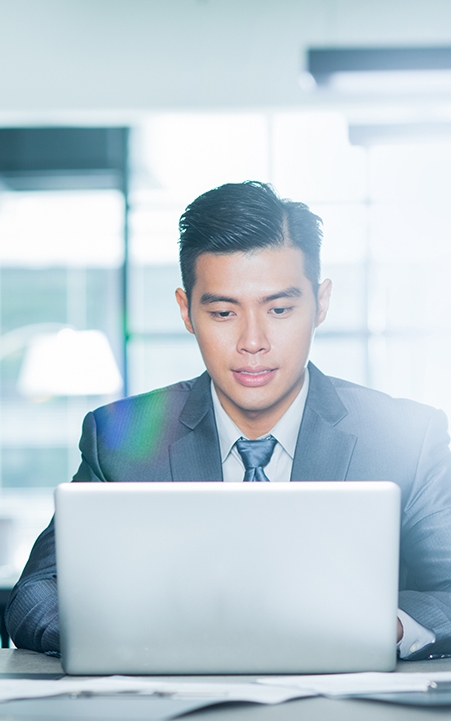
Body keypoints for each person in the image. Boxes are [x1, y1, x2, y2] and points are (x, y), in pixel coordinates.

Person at [6, 181, 451, 660]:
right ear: (186, 311)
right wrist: (127, 634)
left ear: (321, 303)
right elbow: (35, 595)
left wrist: (389, 626)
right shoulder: (120, 436)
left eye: (279, 309)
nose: (252, 341)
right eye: (222, 312)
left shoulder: (409, 437)